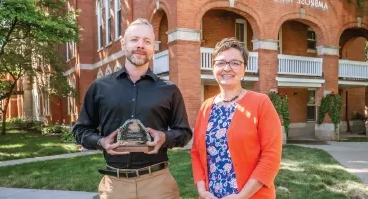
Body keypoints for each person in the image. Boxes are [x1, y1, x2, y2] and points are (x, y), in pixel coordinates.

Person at [72, 18, 192, 199]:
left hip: (158, 184)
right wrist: (101, 142)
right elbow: (80, 129)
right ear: (123, 44)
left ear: (154, 47)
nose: (140, 46)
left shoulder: (169, 90)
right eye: (135, 40)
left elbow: (184, 133)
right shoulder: (100, 87)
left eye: (147, 41)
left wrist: (164, 137)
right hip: (115, 186)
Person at [190, 37, 282, 199]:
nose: (227, 68)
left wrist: (242, 196)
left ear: (244, 69)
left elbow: (271, 156)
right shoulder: (206, 107)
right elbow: (196, 152)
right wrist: (202, 190)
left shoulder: (261, 103)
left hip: (251, 196)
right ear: (213, 68)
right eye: (220, 63)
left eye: (235, 63)